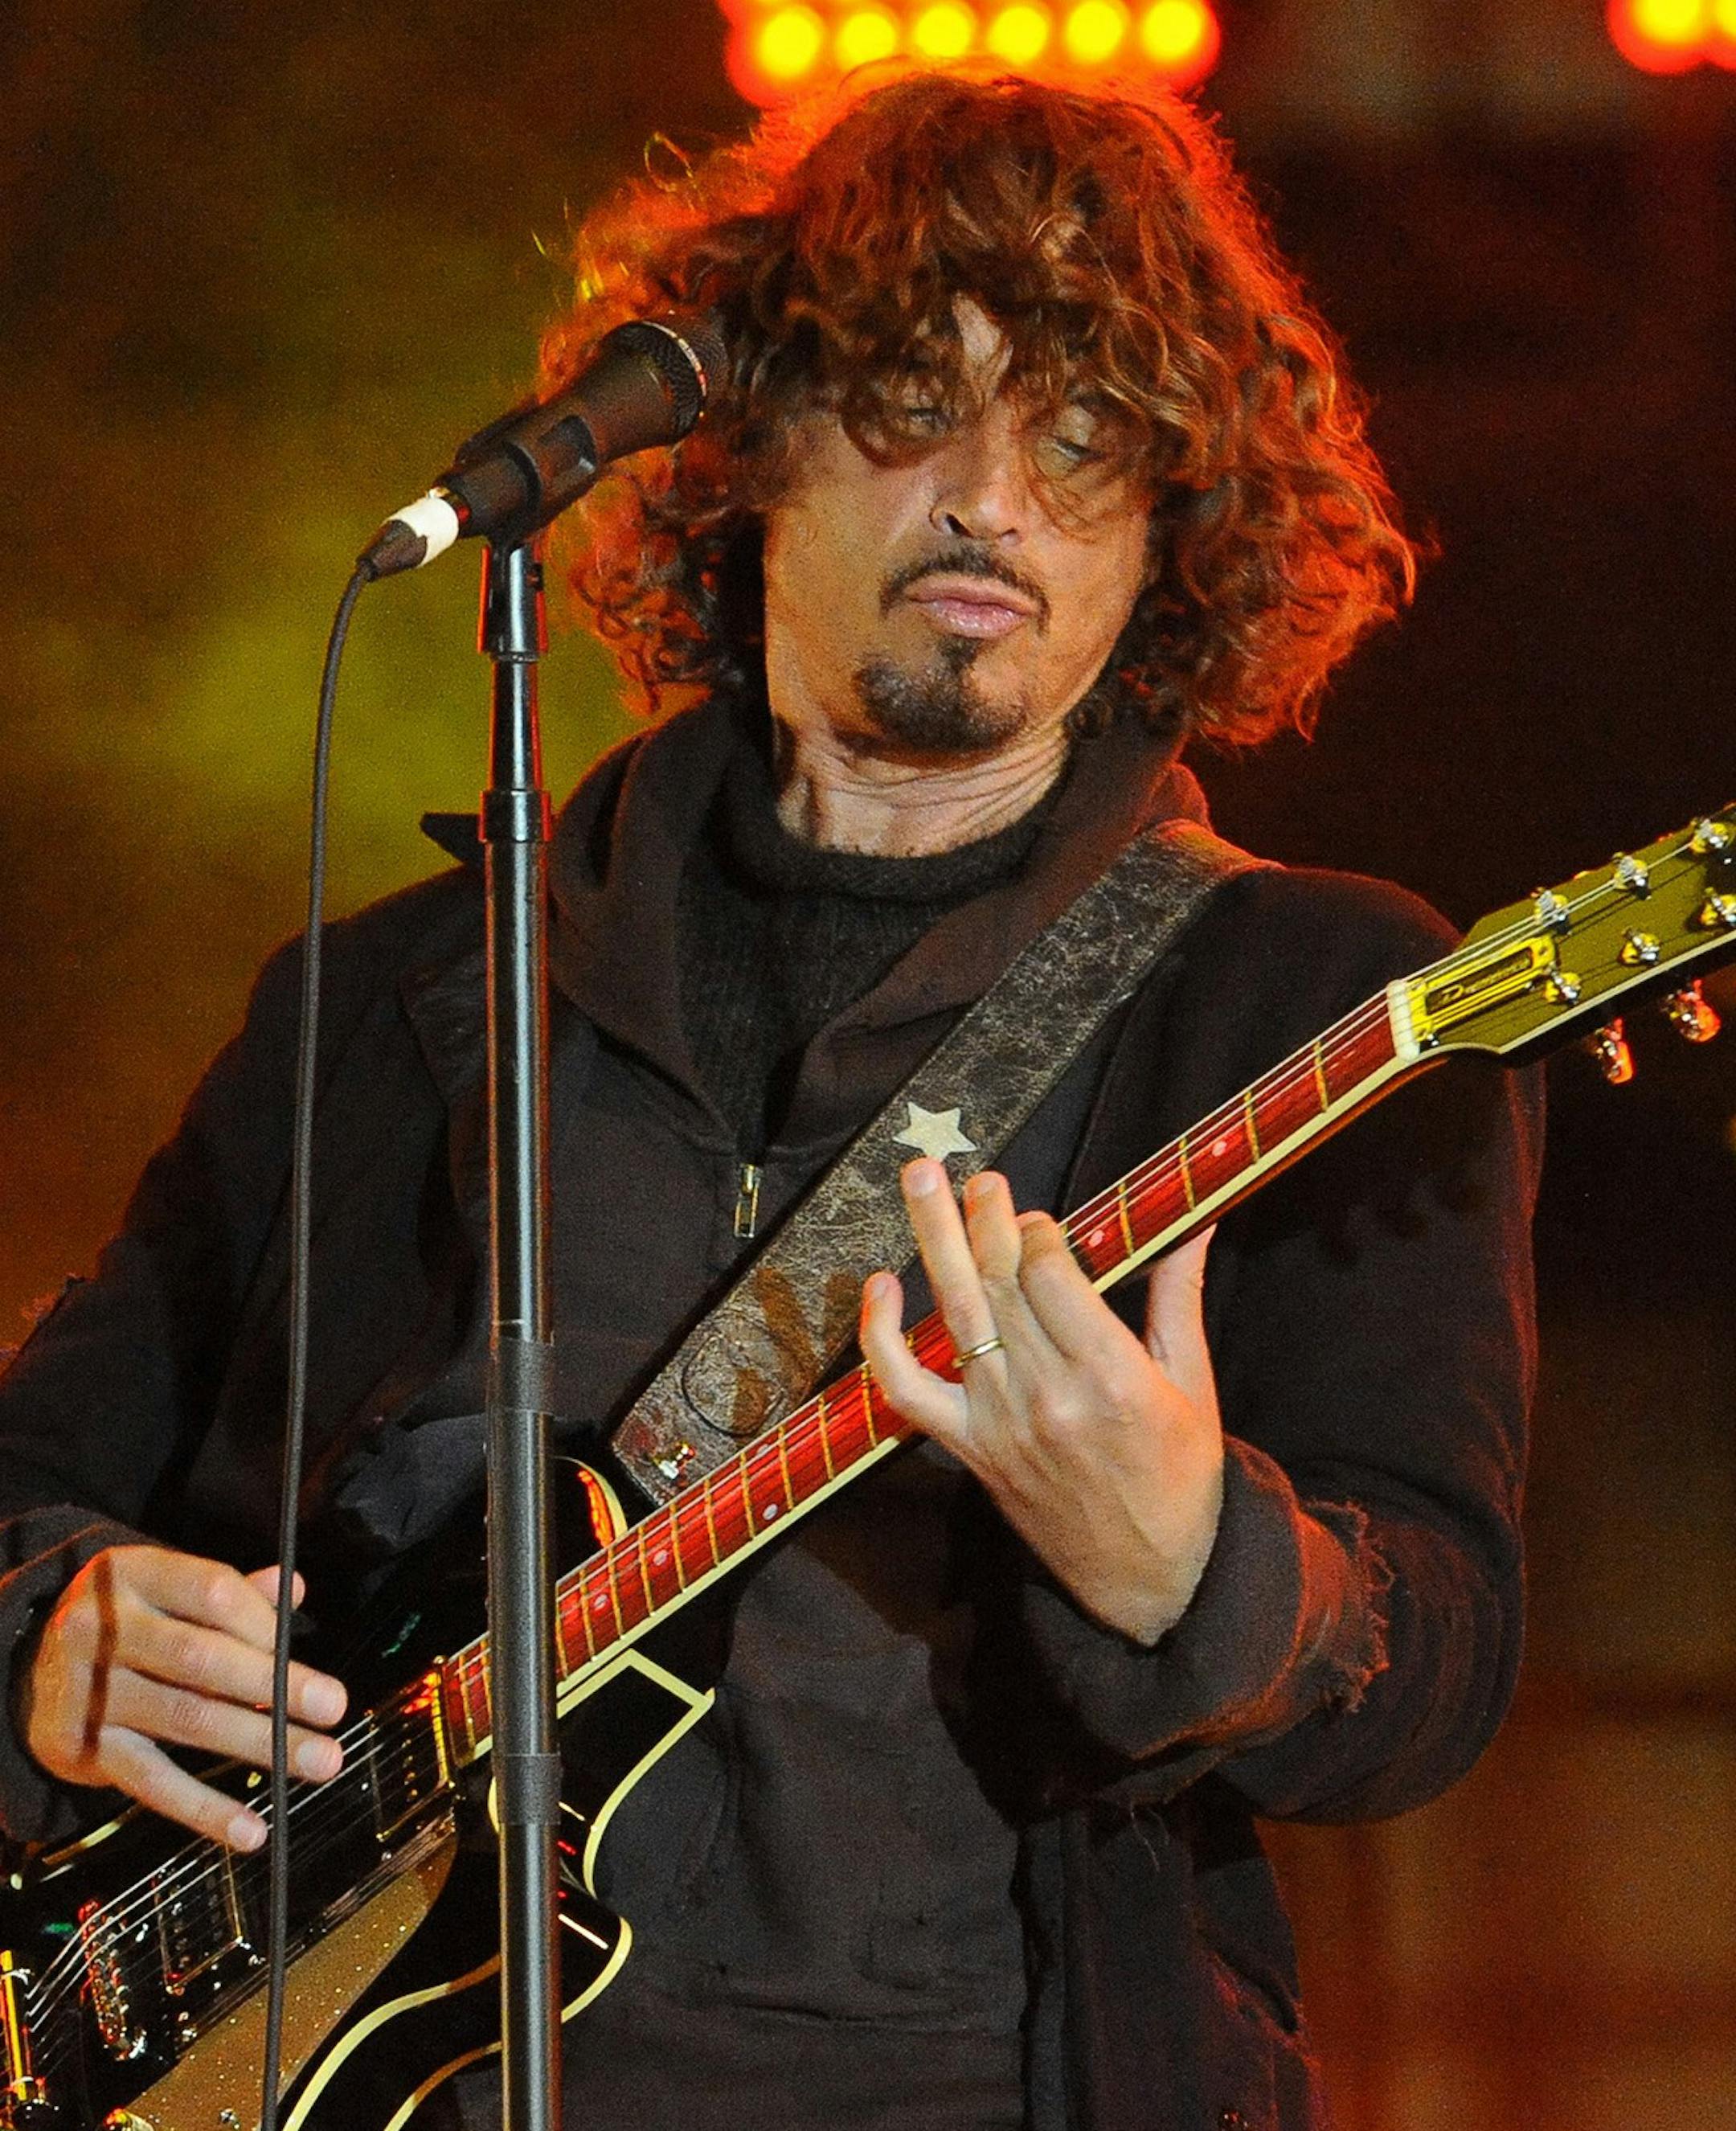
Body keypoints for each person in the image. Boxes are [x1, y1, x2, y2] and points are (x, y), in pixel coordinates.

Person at [0, 68, 1540, 2131]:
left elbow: (1431, 1660)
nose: (995, 496)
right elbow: (32, 1476)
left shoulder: (1313, 1001)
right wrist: (48, 1636)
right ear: (745, 454)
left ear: (1181, 524)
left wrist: (1197, 1565)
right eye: (916, 402)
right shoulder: (399, 1006)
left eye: (1088, 434)